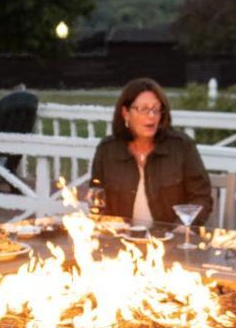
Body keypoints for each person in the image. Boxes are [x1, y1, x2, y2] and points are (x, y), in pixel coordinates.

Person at [90, 77, 213, 227]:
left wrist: (181, 229)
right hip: (122, 242)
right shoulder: (107, 150)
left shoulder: (181, 147)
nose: (151, 116)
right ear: (125, 113)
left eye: (156, 109)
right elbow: (97, 199)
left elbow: (201, 197)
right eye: (143, 109)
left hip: (169, 241)